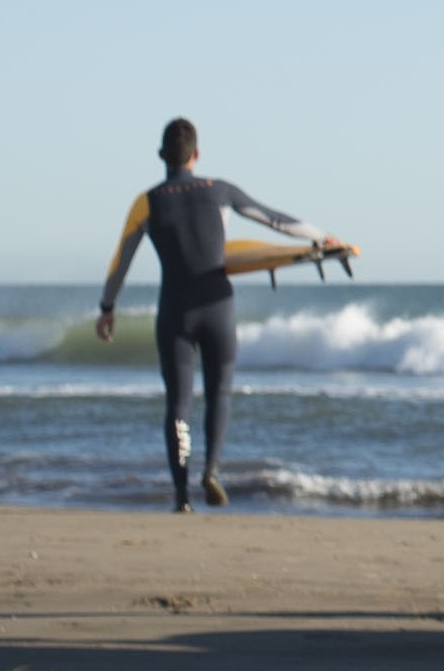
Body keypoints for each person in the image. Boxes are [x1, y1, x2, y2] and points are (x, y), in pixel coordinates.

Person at [92, 119, 354, 513]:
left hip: (175, 313)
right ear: (197, 155)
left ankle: (181, 496)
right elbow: (275, 219)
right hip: (217, 307)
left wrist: (107, 308)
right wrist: (321, 237)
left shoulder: (146, 202)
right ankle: (211, 470)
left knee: (178, 404)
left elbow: (120, 262)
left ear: (163, 156)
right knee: (219, 394)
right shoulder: (220, 191)